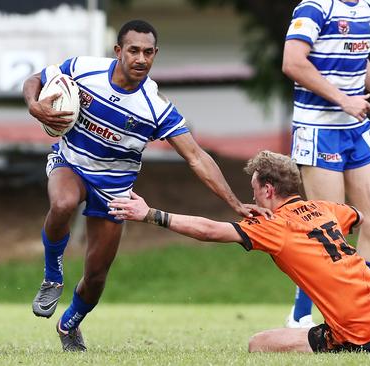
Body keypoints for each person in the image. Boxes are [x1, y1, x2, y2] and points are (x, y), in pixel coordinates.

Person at [22, 20, 267, 352]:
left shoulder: (154, 107)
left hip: (115, 190)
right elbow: (35, 79)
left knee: (95, 278)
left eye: (148, 52)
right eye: (133, 50)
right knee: (63, 203)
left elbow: (196, 156)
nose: (140, 59)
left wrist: (235, 203)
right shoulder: (82, 70)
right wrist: (34, 105)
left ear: (155, 55)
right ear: (118, 51)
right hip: (71, 163)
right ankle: (52, 276)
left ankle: (68, 326)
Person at [109, 150, 370, 354]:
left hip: (354, 328)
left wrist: (151, 215)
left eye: (253, 189)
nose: (251, 197)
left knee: (258, 345)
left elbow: (209, 230)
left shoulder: (275, 225)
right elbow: (360, 216)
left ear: (268, 190)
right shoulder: (326, 209)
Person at [281, 0, 370, 327]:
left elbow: (358, 60)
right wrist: (344, 99)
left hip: (355, 127)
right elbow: (293, 63)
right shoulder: (314, 7)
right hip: (319, 128)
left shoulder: (367, 6)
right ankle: (301, 314)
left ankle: (369, 308)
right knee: (330, 229)